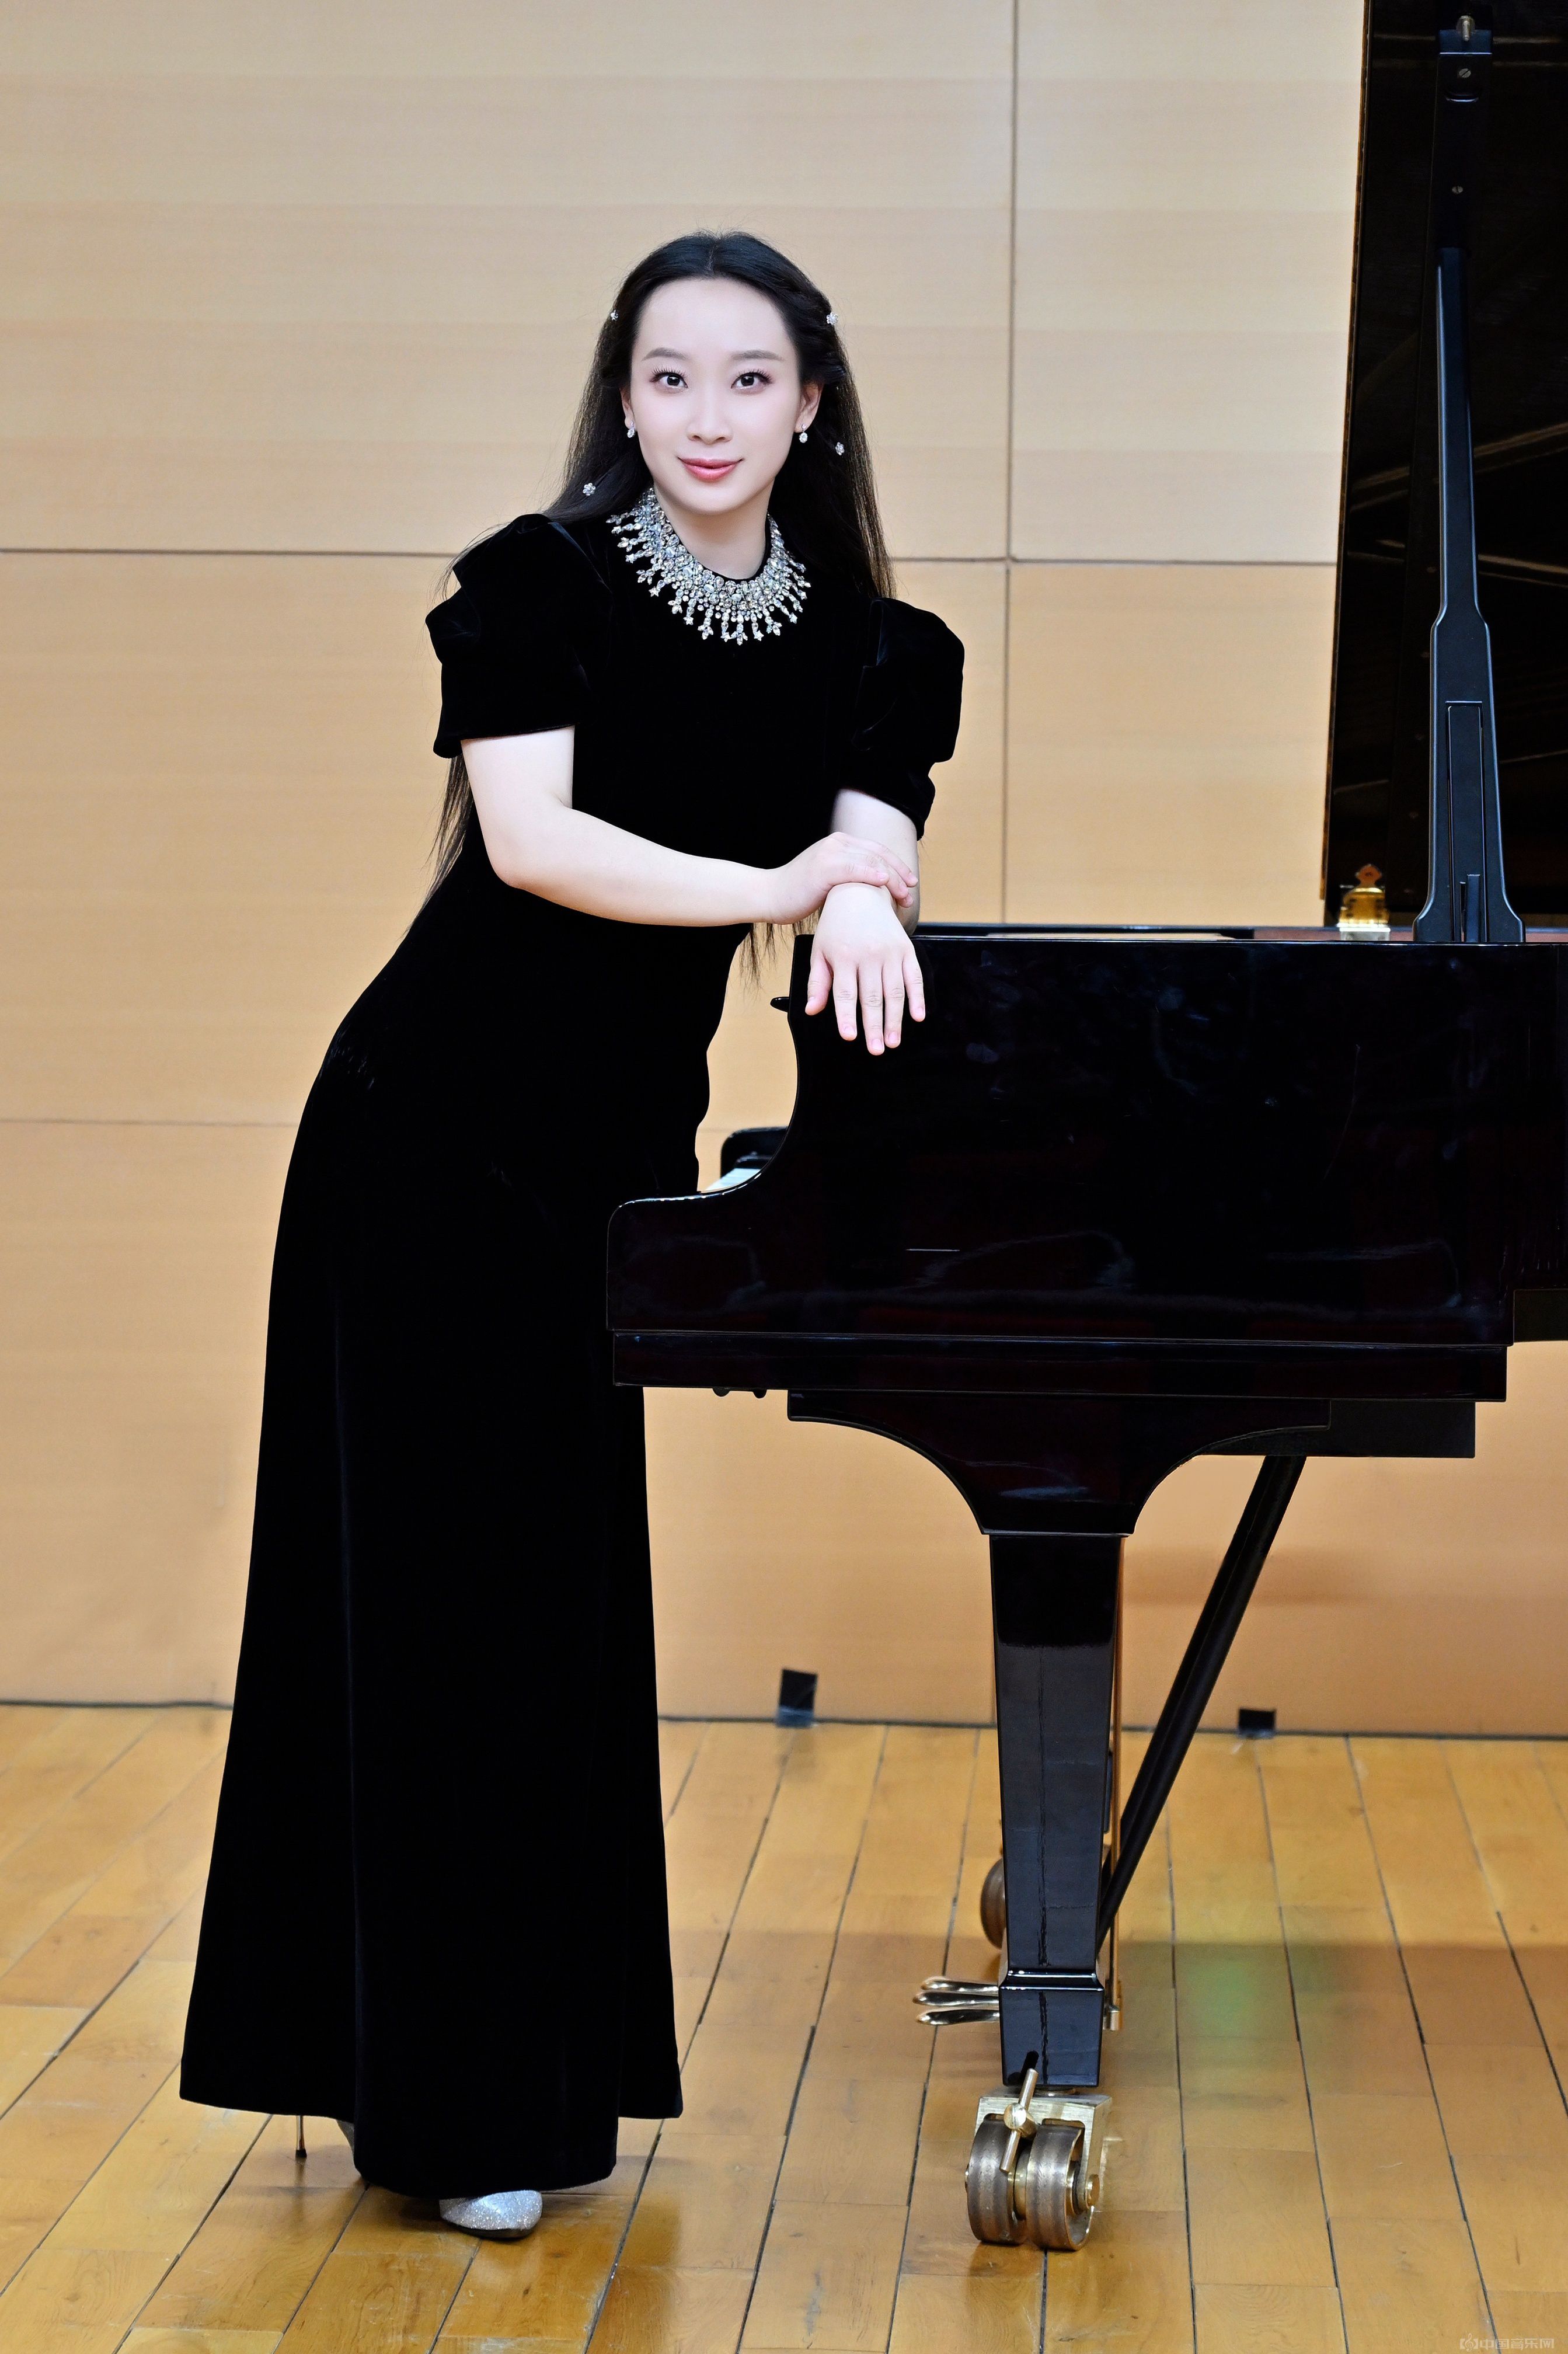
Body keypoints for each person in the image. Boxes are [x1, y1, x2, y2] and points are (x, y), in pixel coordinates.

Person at [180, 230, 964, 2237]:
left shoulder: (880, 647)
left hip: (602, 1157)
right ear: (626, 396)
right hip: (429, 1134)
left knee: (550, 1606)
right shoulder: (537, 585)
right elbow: (533, 848)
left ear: (813, 406)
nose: (708, 417)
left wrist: (856, 879)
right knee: (441, 1611)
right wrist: (795, 882)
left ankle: (516, 2080)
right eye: (670, 377)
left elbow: (876, 833)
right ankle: (453, 2117)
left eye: (750, 380)